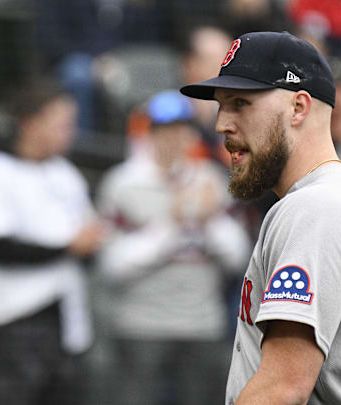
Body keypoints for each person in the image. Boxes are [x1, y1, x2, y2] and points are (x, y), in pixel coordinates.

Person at [181, 31, 341, 405]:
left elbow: (283, 388)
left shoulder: (315, 208)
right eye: (220, 105)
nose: (221, 124)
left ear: (298, 108)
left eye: (241, 103)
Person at [97, 90, 251, 405]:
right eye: (164, 129)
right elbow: (111, 266)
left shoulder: (211, 180)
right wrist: (174, 225)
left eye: (181, 129)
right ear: (149, 132)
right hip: (140, 326)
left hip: (202, 324)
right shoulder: (123, 184)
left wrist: (208, 223)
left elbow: (239, 258)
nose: (173, 138)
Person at [0, 79, 104, 405]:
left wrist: (89, 244)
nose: (70, 132)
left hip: (68, 325)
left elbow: (88, 246)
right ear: (29, 123)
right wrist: (69, 247)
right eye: (61, 124)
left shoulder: (67, 175)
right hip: (10, 323)